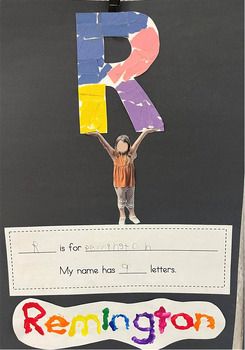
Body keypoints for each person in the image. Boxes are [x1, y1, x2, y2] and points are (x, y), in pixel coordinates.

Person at [87, 128, 158, 225]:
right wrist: (99, 135)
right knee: (121, 198)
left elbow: (138, 143)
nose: (122, 147)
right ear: (116, 146)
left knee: (131, 197)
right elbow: (106, 146)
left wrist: (145, 132)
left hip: (130, 181)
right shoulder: (114, 155)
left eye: (124, 145)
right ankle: (122, 215)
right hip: (119, 182)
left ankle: (132, 214)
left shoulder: (131, 154)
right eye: (119, 145)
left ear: (128, 146)